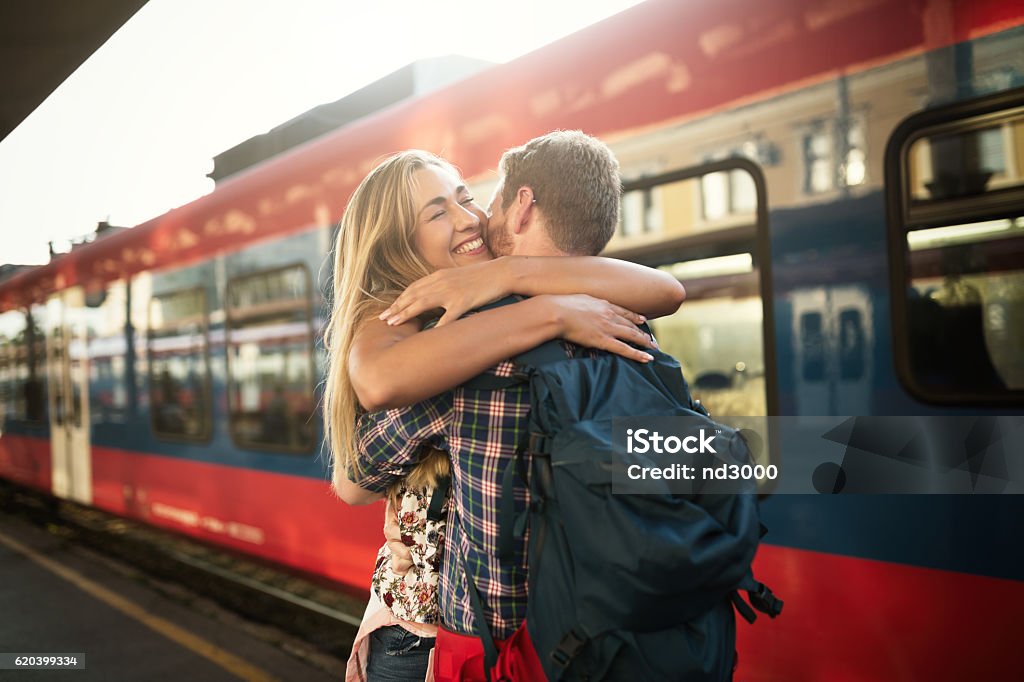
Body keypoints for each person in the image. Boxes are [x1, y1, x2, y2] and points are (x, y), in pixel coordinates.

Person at [327, 139, 685, 681]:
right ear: (398, 243)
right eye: (437, 210)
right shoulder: (604, 317)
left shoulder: (484, 343)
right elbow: (375, 396)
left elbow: (355, 479)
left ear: (520, 206)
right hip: (585, 621)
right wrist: (550, 311)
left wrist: (511, 282)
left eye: (467, 197)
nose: (470, 217)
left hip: (464, 637)